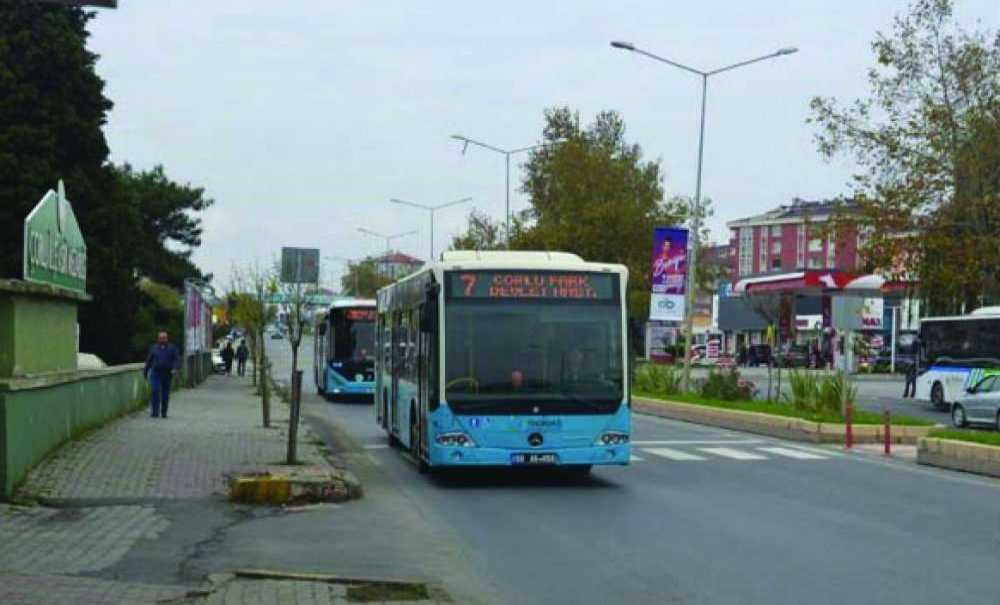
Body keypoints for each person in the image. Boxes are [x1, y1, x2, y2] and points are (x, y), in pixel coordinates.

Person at [144, 331, 180, 418]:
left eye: (164, 338)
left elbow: (177, 359)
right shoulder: (154, 348)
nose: (162, 340)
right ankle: (155, 411)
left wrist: (175, 368)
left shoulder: (172, 348)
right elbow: (149, 360)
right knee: (155, 390)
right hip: (156, 372)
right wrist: (146, 371)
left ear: (167, 338)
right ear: (158, 339)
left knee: (165, 393)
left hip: (167, 373)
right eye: (160, 338)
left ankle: (164, 411)